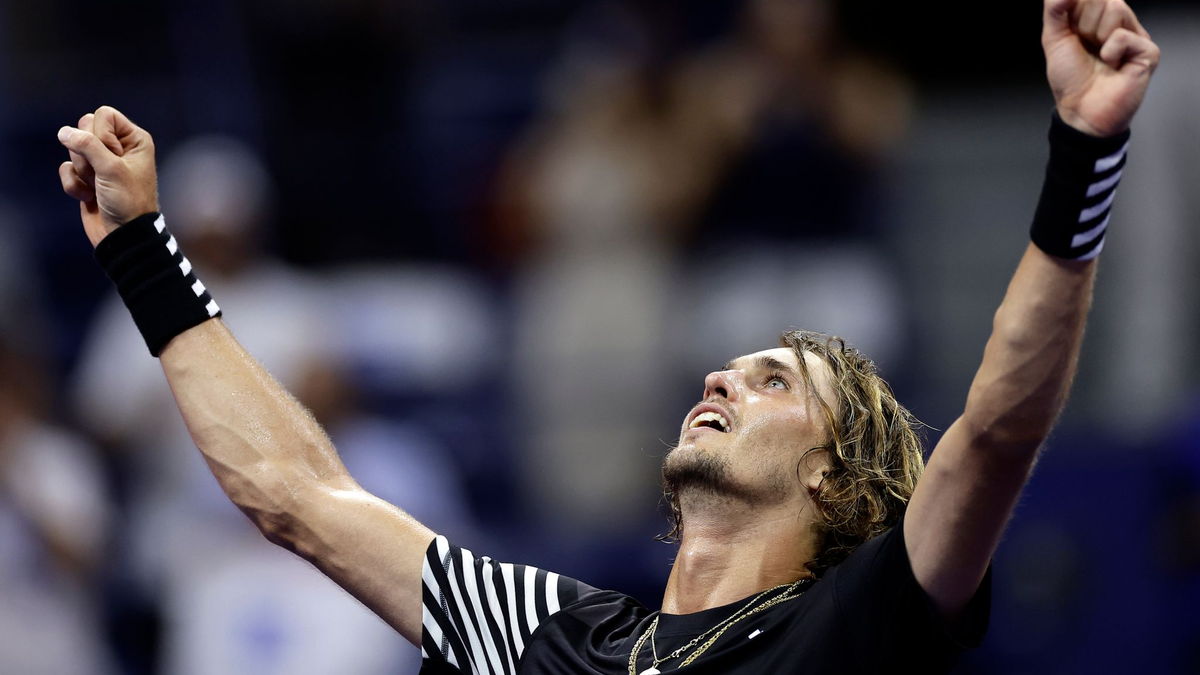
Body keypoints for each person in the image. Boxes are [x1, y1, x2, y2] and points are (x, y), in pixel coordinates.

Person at [54, 0, 1159, 672]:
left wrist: (1083, 158)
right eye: (741, 362)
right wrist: (143, 250)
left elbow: (1002, 425)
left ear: (834, 477)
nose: (726, 371)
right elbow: (290, 493)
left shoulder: (857, 630)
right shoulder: (552, 633)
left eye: (777, 381)